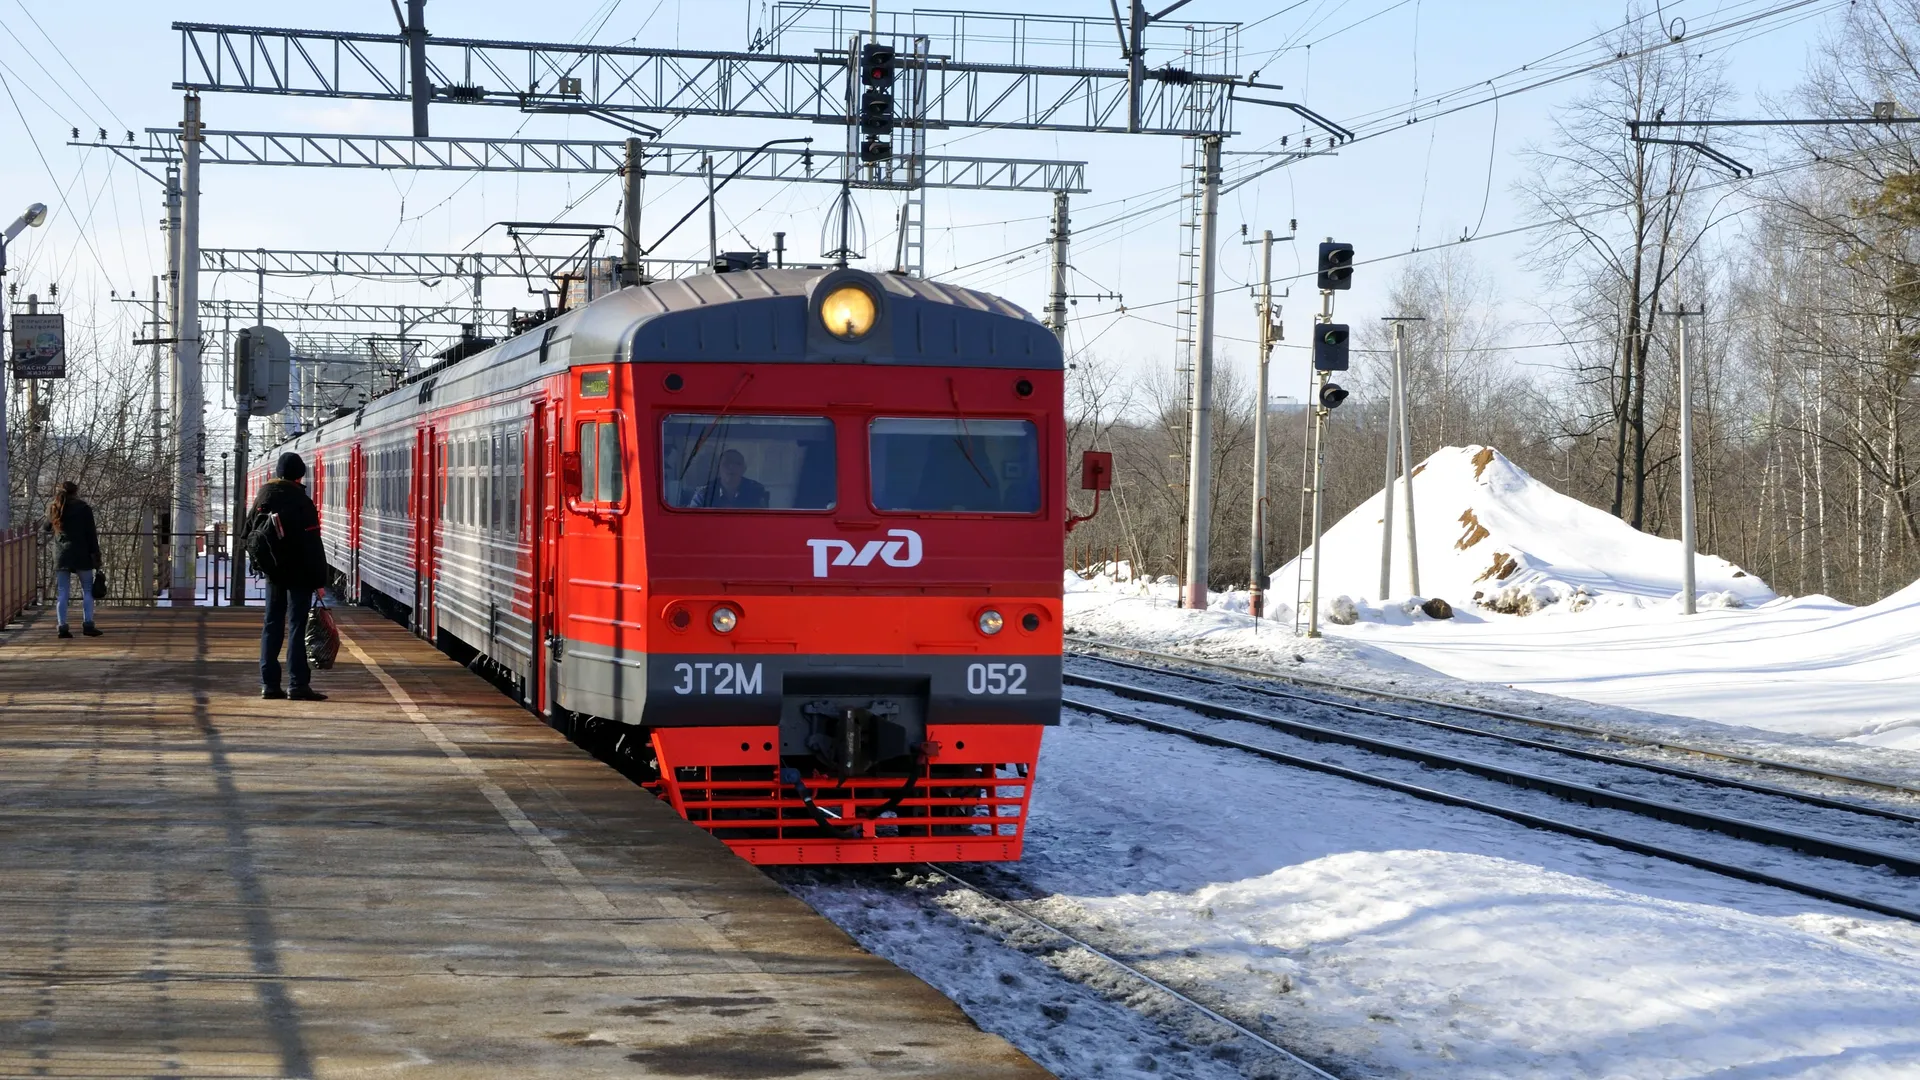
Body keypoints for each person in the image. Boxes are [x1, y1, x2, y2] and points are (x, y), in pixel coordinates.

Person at [247, 452, 330, 701]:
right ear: (300, 474)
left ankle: (269, 684)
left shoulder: (264, 496)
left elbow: (248, 532)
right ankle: (297, 685)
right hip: (299, 574)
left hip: (274, 573)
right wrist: (319, 580)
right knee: (297, 626)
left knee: (271, 625)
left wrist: (263, 564)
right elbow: (312, 543)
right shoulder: (300, 500)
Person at [46, 480, 102, 639]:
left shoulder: (54, 507)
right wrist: (96, 555)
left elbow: (46, 527)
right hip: (82, 553)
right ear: (76, 492)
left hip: (62, 555)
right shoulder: (84, 508)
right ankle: (88, 625)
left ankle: (62, 627)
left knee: (63, 592)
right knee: (87, 590)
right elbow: (91, 534)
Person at [690, 448, 770, 508]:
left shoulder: (756, 491)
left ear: (744, 469)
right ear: (718, 468)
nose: (732, 467)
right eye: (726, 463)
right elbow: (691, 519)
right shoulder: (704, 493)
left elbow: (763, 521)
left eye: (737, 464)